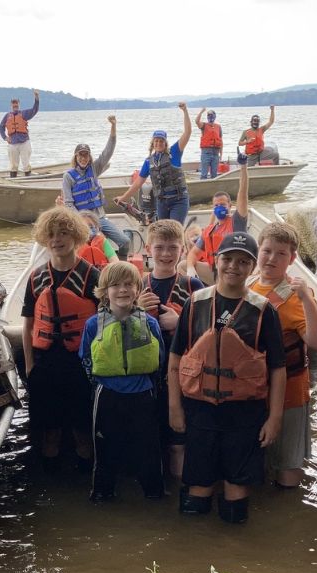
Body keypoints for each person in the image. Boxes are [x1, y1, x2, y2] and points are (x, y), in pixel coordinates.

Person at [168, 232, 287, 524]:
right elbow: (175, 360)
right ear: (216, 261)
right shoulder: (195, 303)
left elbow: (277, 369)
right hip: (200, 409)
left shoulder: (264, 310)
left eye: (243, 261)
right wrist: (175, 407)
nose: (234, 266)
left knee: (236, 490)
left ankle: (235, 550)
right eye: (228, 259)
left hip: (244, 413)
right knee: (197, 489)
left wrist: (274, 418)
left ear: (252, 267)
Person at [246, 222, 317, 488]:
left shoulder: (296, 296)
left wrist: (306, 298)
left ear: (292, 259)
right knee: (257, 457)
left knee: (288, 463)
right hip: (252, 389)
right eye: (267, 251)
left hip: (290, 392)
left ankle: (288, 503)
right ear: (258, 251)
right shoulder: (247, 285)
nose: (271, 258)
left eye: (281, 254)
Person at [21, 207, 101, 473]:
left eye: (64, 233)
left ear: (76, 236)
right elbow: (28, 323)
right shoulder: (36, 278)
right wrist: (30, 365)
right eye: (52, 234)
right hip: (45, 363)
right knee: (49, 430)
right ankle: (51, 479)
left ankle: (85, 479)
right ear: (45, 238)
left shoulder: (92, 276)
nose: (57, 239)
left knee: (82, 429)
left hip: (80, 363)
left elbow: (104, 322)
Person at [79, 261, 166, 502]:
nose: (122, 290)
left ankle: (154, 495)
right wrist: (98, 385)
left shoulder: (149, 323)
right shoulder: (93, 324)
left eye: (128, 284)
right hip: (107, 394)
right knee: (105, 450)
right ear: (104, 291)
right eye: (115, 285)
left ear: (138, 289)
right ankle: (102, 495)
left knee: (149, 449)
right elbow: (86, 358)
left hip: (143, 393)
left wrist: (150, 384)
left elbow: (160, 358)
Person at [136, 219, 205, 481]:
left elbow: (209, 335)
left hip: (183, 376)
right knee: (150, 438)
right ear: (148, 248)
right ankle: (153, 491)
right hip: (146, 376)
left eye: (172, 248)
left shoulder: (193, 287)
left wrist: (180, 324)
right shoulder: (136, 285)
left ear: (183, 250)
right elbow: (116, 329)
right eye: (160, 247)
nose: (165, 254)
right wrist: (137, 311)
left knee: (179, 441)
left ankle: (180, 490)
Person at [114, 103, 193, 224]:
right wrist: (123, 198)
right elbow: (138, 183)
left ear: (165, 143)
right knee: (163, 232)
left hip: (178, 200)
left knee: (174, 230)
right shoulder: (148, 161)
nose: (158, 143)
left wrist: (185, 111)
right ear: (152, 143)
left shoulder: (174, 152)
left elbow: (187, 132)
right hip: (161, 202)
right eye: (156, 141)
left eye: (161, 141)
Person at [62, 117, 128, 257]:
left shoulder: (94, 168)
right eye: (80, 155)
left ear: (89, 156)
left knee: (125, 241)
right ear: (76, 157)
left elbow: (108, 152)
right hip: (83, 221)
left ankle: (120, 268)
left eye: (86, 155)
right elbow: (68, 204)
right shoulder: (68, 176)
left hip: (100, 218)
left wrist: (113, 126)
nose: (83, 158)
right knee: (96, 243)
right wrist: (82, 220)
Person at [187, 154, 252, 284]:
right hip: (215, 271)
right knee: (182, 266)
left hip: (233, 272)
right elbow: (193, 254)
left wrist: (243, 167)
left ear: (230, 206)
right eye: (216, 205)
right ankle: (203, 292)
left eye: (222, 204)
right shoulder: (209, 231)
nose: (219, 208)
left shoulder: (236, 222)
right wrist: (190, 268)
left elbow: (243, 193)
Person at [0, 90, 39, 177]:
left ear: (19, 105)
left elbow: (34, 110)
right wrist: (5, 137)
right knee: (13, 165)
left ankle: (28, 179)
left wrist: (36, 98)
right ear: (11, 106)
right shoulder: (7, 116)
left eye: (16, 104)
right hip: (12, 143)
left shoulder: (24, 114)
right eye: (13, 104)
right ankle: (13, 180)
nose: (15, 106)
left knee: (26, 164)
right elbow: (1, 127)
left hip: (24, 142)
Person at [196, 108, 223, 179]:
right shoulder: (204, 125)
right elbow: (197, 121)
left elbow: (220, 141)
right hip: (206, 152)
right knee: (204, 174)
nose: (210, 116)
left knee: (214, 175)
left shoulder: (218, 127)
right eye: (208, 115)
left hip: (215, 153)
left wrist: (221, 153)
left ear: (214, 116)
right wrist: (201, 112)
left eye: (211, 115)